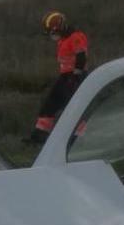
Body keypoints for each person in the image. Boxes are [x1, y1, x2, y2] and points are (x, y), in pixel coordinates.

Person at [25, 11, 88, 144]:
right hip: (65, 76)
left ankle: (78, 138)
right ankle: (39, 136)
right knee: (50, 105)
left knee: (73, 107)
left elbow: (81, 57)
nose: (53, 37)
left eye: (53, 33)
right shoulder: (63, 40)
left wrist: (76, 77)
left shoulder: (76, 37)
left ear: (60, 27)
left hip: (74, 76)